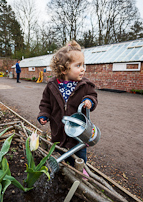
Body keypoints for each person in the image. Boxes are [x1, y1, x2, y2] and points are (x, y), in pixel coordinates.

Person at [37, 40, 98, 171]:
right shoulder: (52, 86)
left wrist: (89, 101)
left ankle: (80, 172)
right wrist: (44, 114)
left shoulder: (85, 85)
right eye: (78, 66)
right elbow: (45, 103)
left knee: (79, 156)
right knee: (61, 154)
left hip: (79, 134)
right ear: (63, 69)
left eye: (83, 65)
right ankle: (64, 173)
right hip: (58, 131)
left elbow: (93, 96)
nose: (83, 69)